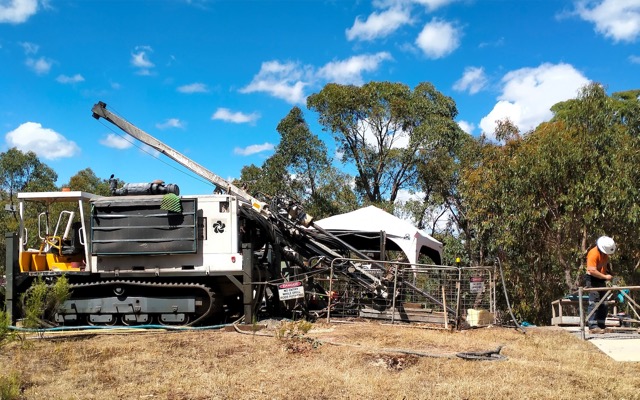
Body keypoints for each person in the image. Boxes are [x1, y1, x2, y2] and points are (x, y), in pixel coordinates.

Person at [585, 236, 616, 334]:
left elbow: (605, 265)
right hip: (592, 279)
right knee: (594, 302)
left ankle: (601, 324)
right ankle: (593, 326)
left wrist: (609, 273)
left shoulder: (605, 254)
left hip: (601, 279)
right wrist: (605, 277)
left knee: (604, 303)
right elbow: (592, 270)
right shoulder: (593, 253)